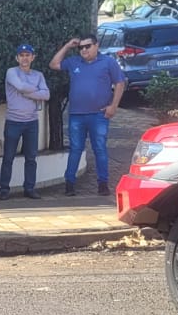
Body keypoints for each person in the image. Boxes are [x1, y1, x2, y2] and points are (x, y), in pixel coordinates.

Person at [50, 34, 125, 196]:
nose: (84, 49)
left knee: (100, 149)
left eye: (87, 46)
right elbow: (54, 64)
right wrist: (67, 46)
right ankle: (69, 184)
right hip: (77, 115)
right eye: (81, 47)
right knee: (76, 149)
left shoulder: (108, 62)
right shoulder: (74, 62)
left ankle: (103, 184)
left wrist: (114, 106)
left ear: (96, 46)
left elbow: (120, 82)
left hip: (99, 115)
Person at [1, 44, 50, 200]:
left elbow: (47, 95)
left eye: (27, 55)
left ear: (33, 57)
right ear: (17, 58)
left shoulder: (39, 75)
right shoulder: (11, 72)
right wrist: (36, 91)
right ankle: (4, 190)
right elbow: (20, 86)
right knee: (8, 157)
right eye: (21, 55)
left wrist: (28, 93)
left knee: (31, 158)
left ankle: (29, 188)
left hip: (31, 123)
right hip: (13, 121)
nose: (24, 58)